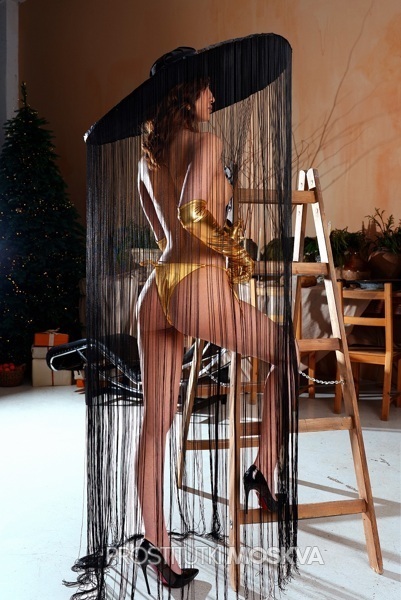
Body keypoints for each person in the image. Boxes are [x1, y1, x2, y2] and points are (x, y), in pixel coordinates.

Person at [135, 75, 290, 592]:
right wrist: (236, 251)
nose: (214, 99)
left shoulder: (146, 160)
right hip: (199, 288)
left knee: (156, 423)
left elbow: (164, 231)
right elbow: (192, 213)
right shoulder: (207, 143)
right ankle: (263, 469)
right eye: (206, 90)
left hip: (158, 289)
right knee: (286, 352)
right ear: (186, 93)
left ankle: (156, 545)